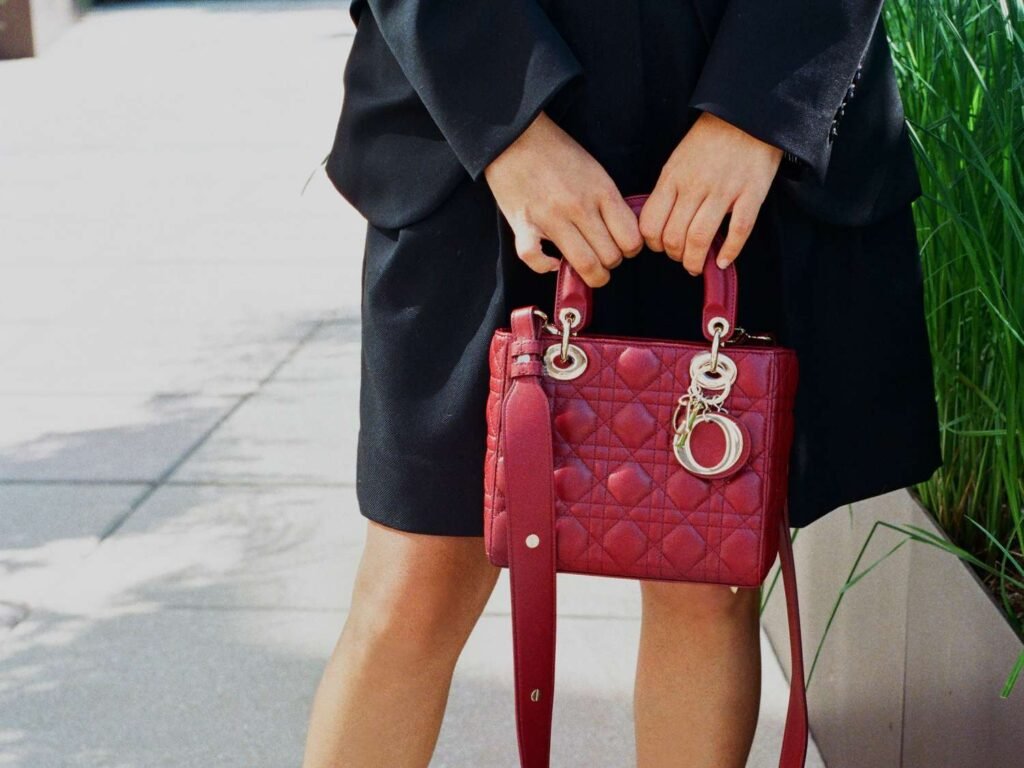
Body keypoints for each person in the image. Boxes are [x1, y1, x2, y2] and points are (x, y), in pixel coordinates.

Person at [302, 1, 944, 766]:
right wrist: (509, 120)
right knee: (417, 580)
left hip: (741, 114)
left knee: (706, 575)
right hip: (475, 107)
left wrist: (759, 109)